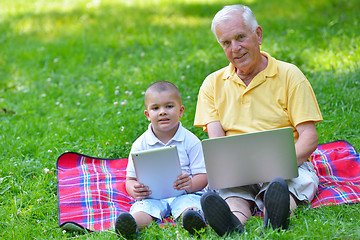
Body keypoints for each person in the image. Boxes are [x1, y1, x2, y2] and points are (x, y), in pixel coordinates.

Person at [194, 4, 323, 237]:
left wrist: (280, 165)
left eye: (240, 37)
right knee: (231, 193)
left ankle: (277, 215)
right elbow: (217, 143)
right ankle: (233, 222)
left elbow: (309, 136)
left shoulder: (289, 75)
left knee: (285, 187)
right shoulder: (212, 84)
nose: (235, 48)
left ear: (259, 35)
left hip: (286, 164)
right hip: (237, 168)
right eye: (226, 43)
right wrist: (230, 170)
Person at [115, 81, 208, 239]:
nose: (162, 112)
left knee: (190, 207)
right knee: (143, 209)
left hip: (185, 193)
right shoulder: (140, 144)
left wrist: (191, 184)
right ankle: (131, 225)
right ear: (147, 114)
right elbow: (129, 179)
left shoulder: (191, 141)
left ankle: (192, 221)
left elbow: (203, 175)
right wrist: (135, 189)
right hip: (152, 196)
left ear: (181, 111)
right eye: (156, 108)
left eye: (169, 106)